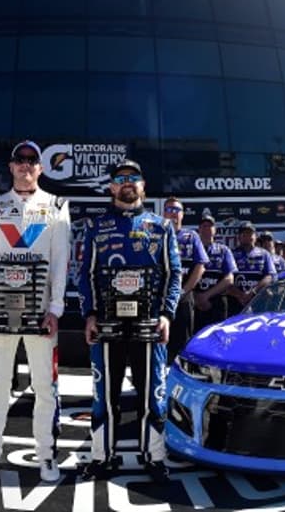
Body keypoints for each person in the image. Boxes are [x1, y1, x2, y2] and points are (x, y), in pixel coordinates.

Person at [0, 141, 70, 483]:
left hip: (40, 313)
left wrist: (56, 308)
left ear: (40, 168)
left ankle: (46, 455)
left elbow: (60, 263)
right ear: (11, 167)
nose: (25, 166)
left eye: (32, 161)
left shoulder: (56, 206)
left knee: (44, 386)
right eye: (19, 160)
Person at [79, 159, 180, 484]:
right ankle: (101, 458)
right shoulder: (96, 227)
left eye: (133, 177)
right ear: (111, 187)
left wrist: (166, 314)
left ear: (142, 184)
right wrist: (90, 315)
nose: (127, 182)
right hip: (107, 326)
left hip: (149, 326)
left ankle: (154, 457)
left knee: (153, 395)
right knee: (103, 396)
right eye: (120, 178)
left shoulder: (161, 227)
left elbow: (173, 273)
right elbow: (86, 275)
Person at [162, 196, 208, 363]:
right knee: (159, 339)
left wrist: (183, 291)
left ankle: (180, 378)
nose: (172, 214)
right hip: (160, 297)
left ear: (182, 214)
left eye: (176, 210)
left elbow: (200, 266)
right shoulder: (156, 234)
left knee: (183, 340)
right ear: (163, 213)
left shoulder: (191, 236)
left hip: (183, 297)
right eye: (169, 210)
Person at [194, 214, 238, 330]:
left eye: (210, 226)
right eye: (204, 226)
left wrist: (206, 296)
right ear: (199, 229)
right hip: (194, 301)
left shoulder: (223, 250)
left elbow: (229, 278)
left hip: (217, 301)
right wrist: (197, 298)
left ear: (215, 230)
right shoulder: (191, 249)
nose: (207, 228)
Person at [227, 222, 276, 316]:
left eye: (250, 233)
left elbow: (269, 276)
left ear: (255, 236)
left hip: (259, 301)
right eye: (244, 233)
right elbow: (226, 279)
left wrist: (253, 292)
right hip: (235, 302)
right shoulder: (231, 254)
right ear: (239, 237)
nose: (247, 236)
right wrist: (240, 295)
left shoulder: (264, 254)